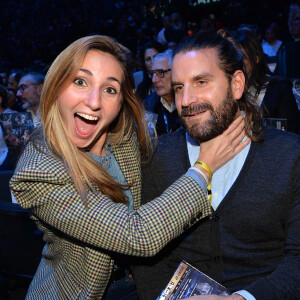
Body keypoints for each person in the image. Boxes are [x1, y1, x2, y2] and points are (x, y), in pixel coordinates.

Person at [9, 35, 248, 299]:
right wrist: (205, 167)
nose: (94, 101)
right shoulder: (40, 171)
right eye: (80, 81)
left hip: (137, 286)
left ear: (121, 99)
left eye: (109, 89)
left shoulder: (123, 140)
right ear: (55, 87)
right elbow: (138, 234)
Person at [132, 32, 300, 300]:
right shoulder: (156, 157)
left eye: (201, 82)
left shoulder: (290, 155)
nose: (186, 100)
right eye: (178, 87)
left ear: (236, 84)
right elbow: (147, 262)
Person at [228, 29, 300, 134]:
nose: (235, 65)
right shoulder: (224, 91)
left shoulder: (278, 89)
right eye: (230, 60)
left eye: (241, 58)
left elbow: (292, 134)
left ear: (256, 58)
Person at [143, 50, 181, 135]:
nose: (154, 80)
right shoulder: (147, 107)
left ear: (176, 72)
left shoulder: (190, 101)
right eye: (152, 73)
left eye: (161, 72)